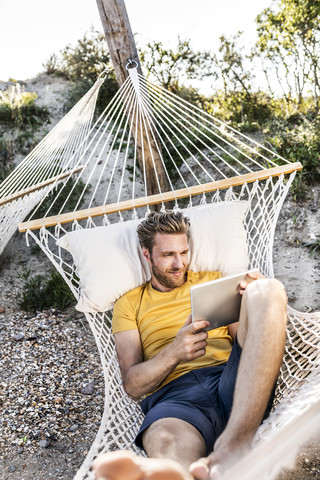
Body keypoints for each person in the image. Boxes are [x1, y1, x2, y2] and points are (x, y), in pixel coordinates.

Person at [93, 210, 287, 480]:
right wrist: (173, 352)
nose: (179, 263)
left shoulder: (214, 281)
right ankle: (177, 474)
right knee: (165, 439)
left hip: (235, 382)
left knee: (270, 290)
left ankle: (235, 442)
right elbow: (132, 385)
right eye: (167, 255)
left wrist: (253, 299)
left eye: (183, 252)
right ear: (147, 255)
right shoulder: (129, 305)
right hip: (175, 400)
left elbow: (249, 340)